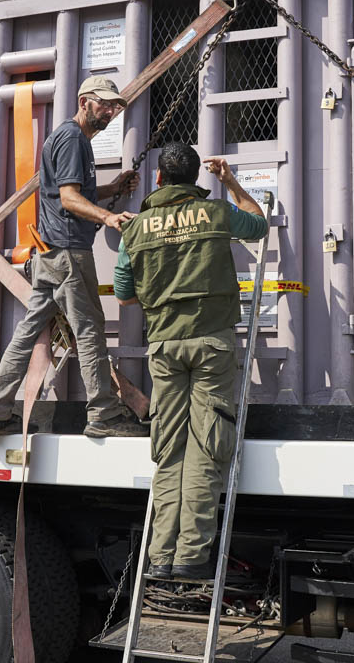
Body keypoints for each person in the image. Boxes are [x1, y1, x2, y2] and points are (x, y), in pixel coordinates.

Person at [114, 142, 268, 580]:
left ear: (158, 178)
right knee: (206, 446)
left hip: (164, 347)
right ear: (196, 178)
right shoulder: (216, 212)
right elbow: (258, 224)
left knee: (169, 450)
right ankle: (190, 555)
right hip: (212, 344)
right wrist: (231, 182)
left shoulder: (135, 228)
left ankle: (161, 555)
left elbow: (124, 296)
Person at [0, 76, 147, 440]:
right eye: (104, 104)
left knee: (26, 334)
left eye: (114, 107)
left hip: (50, 254)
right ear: (84, 102)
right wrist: (108, 216)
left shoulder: (69, 139)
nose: (110, 112)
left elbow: (63, 194)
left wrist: (111, 188)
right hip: (69, 254)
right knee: (89, 331)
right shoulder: (72, 139)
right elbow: (69, 199)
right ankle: (103, 413)